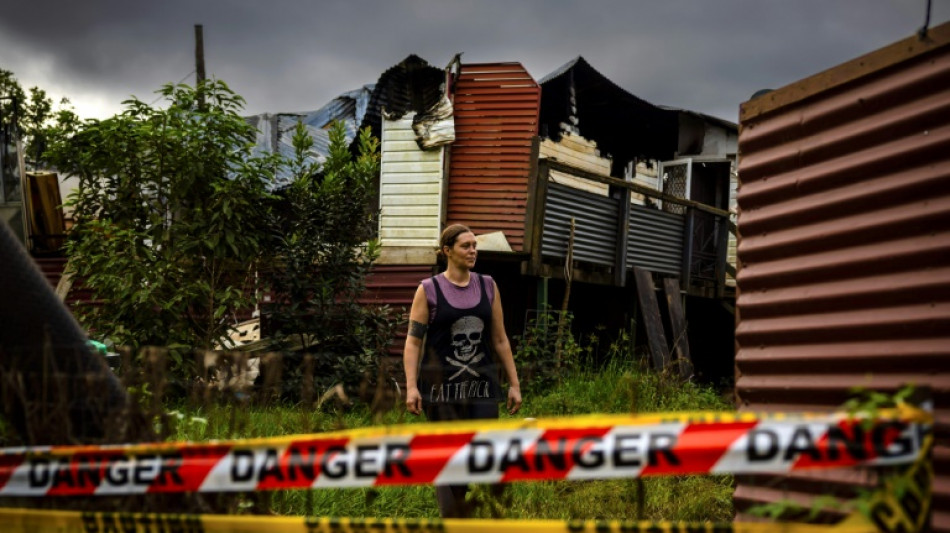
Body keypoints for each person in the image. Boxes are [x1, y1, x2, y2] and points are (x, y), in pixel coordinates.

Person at [403, 224, 522, 518]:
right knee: (448, 457)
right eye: (465, 246)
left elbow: (500, 338)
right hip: (440, 389)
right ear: (447, 251)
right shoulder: (428, 290)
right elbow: (413, 342)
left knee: (476, 454)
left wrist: (515, 384)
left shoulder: (487, 286)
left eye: (474, 246)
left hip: (482, 387)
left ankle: (457, 511)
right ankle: (452, 518)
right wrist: (411, 387)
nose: (473, 251)